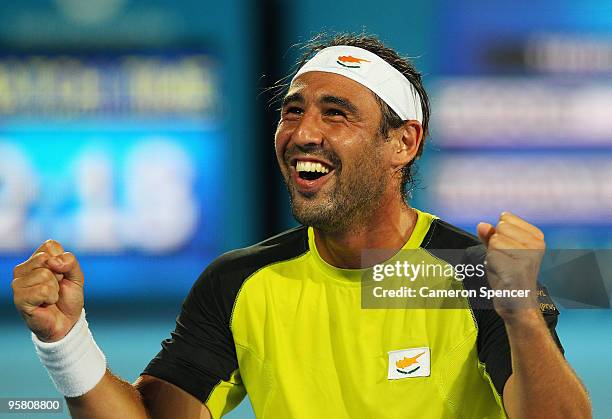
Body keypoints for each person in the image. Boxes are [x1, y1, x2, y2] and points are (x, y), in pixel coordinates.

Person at [11, 33, 591, 419]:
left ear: (403, 143)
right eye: (293, 110)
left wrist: (518, 310)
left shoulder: (472, 276)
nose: (302, 133)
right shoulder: (238, 281)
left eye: (336, 114)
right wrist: (65, 340)